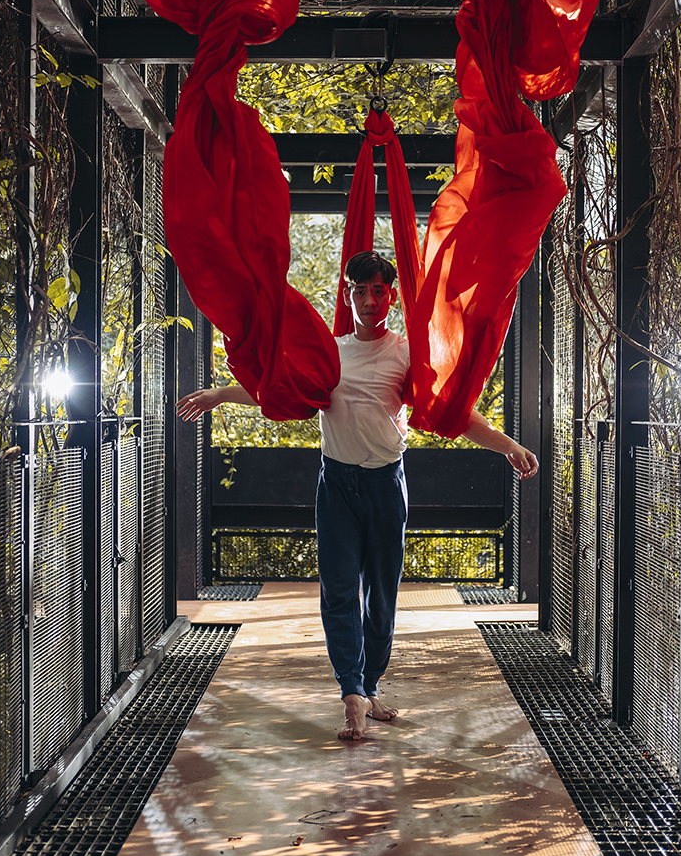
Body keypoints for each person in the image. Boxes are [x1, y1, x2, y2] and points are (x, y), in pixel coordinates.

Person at [177, 250, 539, 741]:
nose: (369, 299)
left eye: (378, 290)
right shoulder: (332, 352)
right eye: (360, 291)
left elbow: (451, 415)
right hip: (337, 486)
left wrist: (509, 446)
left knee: (382, 597)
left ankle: (368, 686)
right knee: (340, 590)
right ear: (348, 296)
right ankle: (351, 690)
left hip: (386, 485)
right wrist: (220, 394)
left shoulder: (406, 353)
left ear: (391, 295)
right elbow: (275, 387)